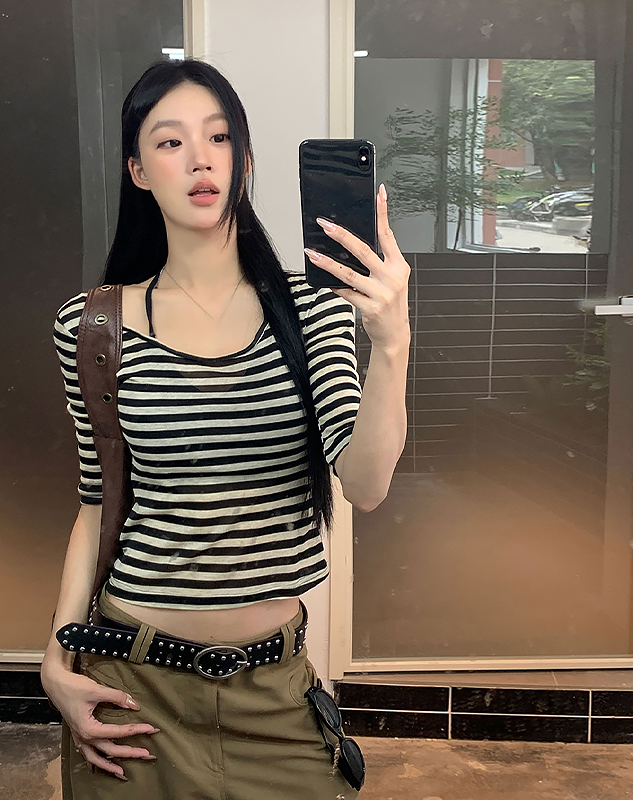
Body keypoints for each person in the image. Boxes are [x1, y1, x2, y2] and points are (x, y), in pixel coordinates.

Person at [40, 58, 410, 799]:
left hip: (273, 693)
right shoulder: (92, 326)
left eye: (219, 137)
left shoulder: (313, 311)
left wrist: (393, 342)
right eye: (170, 141)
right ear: (138, 170)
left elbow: (366, 486)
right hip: (132, 687)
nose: (200, 159)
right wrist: (55, 658)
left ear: (243, 160)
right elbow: (96, 502)